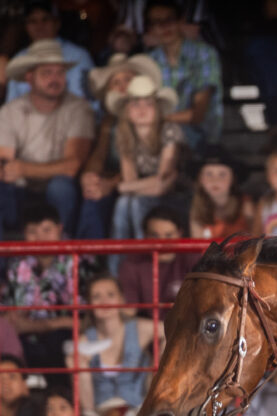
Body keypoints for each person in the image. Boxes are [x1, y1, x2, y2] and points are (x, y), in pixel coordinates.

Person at [0, 38, 94, 240]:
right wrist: (16, 170)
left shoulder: (79, 109)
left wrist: (24, 168)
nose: (55, 79)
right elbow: (5, 165)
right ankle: (7, 251)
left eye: (60, 73)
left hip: (59, 184)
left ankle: (63, 249)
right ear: (29, 78)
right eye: (46, 73)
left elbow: (72, 166)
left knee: (61, 187)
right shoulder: (10, 111)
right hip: (20, 186)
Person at [4, 203, 97, 380]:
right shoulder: (17, 264)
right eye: (32, 232)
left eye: (47, 230)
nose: (40, 238)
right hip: (26, 339)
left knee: (56, 340)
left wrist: (47, 325)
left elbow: (88, 320)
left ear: (60, 229)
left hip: (66, 337)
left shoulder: (80, 261)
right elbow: (11, 313)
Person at [77, 53, 164, 239]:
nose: (123, 86)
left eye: (127, 80)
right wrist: (89, 177)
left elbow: (142, 171)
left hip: (147, 186)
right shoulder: (109, 122)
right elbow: (99, 155)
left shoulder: (150, 118)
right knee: (92, 197)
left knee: (125, 202)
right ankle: (89, 255)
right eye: (116, 82)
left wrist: (110, 184)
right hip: (121, 184)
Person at [66, 275, 161, 413]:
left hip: (139, 410)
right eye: (97, 296)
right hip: (102, 414)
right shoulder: (85, 340)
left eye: (110, 295)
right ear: (89, 304)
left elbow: (175, 331)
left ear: (121, 299)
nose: (104, 302)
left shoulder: (140, 328)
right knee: (75, 361)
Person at [107, 74, 184, 241]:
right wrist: (127, 187)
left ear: (157, 109)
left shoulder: (169, 130)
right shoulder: (123, 134)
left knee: (133, 201)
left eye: (149, 104)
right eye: (135, 104)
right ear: (127, 110)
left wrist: (123, 187)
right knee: (123, 202)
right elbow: (130, 179)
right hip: (141, 195)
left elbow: (162, 183)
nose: (142, 110)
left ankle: (143, 252)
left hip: (174, 197)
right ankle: (119, 257)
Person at [145, 0, 223, 152]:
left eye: (169, 20)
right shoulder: (149, 61)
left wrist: (161, 119)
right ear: (151, 29)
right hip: (159, 134)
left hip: (200, 137)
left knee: (170, 133)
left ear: (181, 21)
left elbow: (199, 113)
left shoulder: (204, 54)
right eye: (157, 22)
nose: (164, 27)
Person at [5, 1, 95, 104]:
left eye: (45, 19)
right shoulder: (19, 59)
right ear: (26, 27)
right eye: (33, 21)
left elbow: (88, 104)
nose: (39, 26)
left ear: (57, 23)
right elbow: (11, 102)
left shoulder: (79, 56)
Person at [117, 204, 199, 314]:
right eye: (155, 236)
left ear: (180, 234)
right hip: (148, 324)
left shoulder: (193, 258)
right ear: (145, 236)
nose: (162, 243)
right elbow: (128, 313)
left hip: (188, 323)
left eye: (169, 235)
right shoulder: (132, 264)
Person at [188, 147, 253, 239]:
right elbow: (197, 242)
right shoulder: (197, 209)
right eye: (209, 174)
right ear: (200, 179)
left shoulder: (245, 205)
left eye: (222, 174)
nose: (215, 180)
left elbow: (256, 238)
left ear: (233, 179)